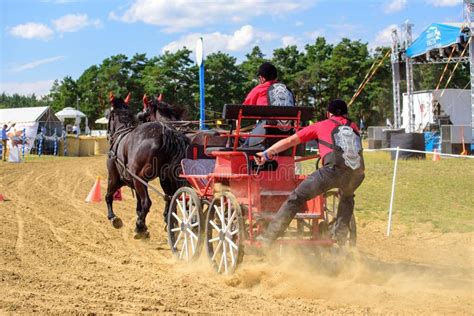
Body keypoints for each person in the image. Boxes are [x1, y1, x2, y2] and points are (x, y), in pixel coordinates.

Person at [255, 99, 365, 246]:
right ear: (346, 113)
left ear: (328, 113)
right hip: (357, 174)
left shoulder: (320, 125)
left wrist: (267, 154)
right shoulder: (354, 127)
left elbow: (290, 141)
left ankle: (269, 237)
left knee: (296, 198)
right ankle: (340, 235)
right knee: (347, 197)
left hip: (332, 171)